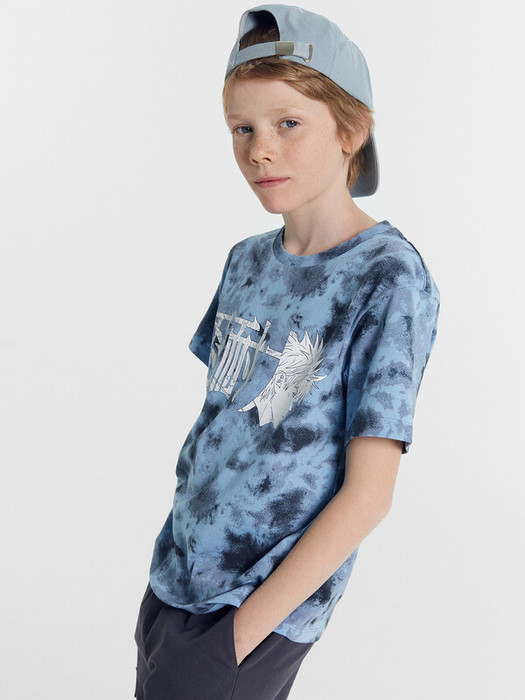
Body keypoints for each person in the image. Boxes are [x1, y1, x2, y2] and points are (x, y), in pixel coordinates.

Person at [134, 4, 441, 699]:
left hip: (250, 613)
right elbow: (225, 426)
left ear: (351, 130)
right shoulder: (245, 261)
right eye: (241, 128)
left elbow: (369, 494)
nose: (259, 150)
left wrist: (241, 635)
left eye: (288, 124)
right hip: (174, 583)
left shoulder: (387, 276)